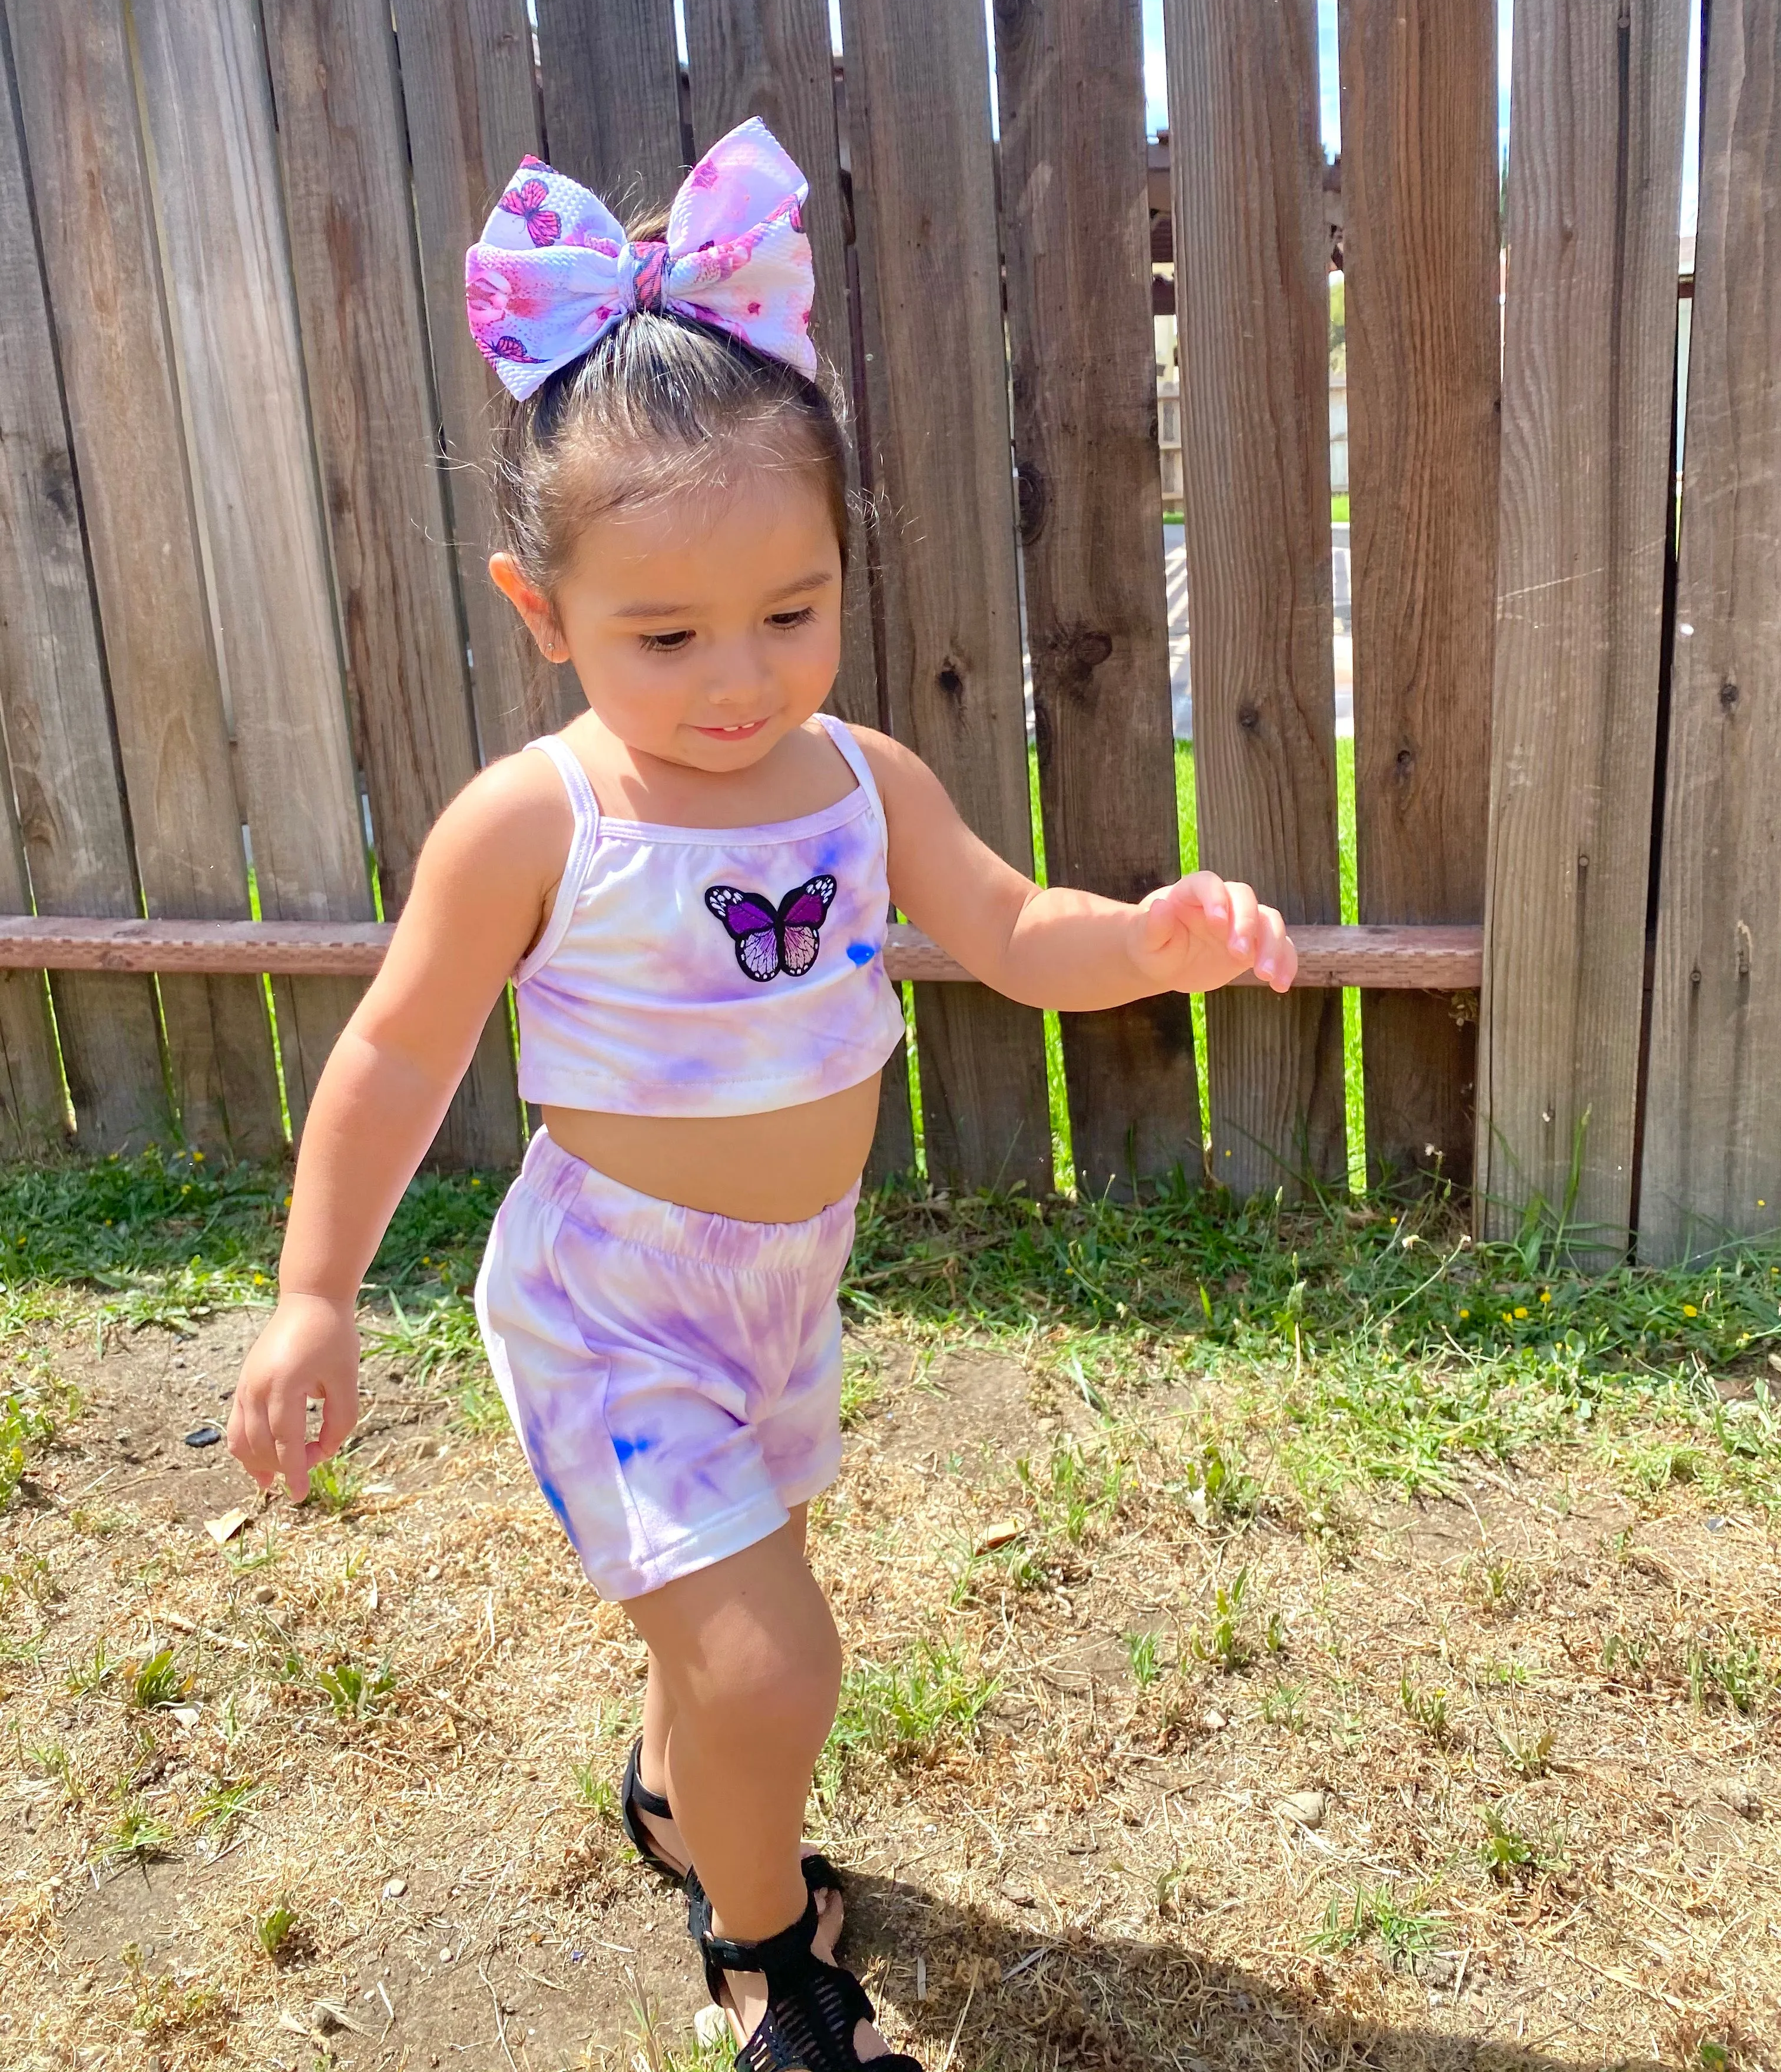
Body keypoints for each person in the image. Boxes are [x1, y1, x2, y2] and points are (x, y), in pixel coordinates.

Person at [228, 117, 1297, 2070]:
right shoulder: (535, 822)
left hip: (786, 1280)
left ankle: (672, 1781)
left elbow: (1010, 923)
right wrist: (316, 1293)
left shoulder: (861, 778)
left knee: (720, 1649)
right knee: (771, 1655)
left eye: (790, 611)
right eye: (665, 633)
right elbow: (394, 1051)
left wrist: (1146, 939)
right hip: (613, 1301)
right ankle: (766, 1956)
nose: (738, 678)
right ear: (540, 610)